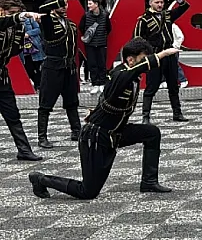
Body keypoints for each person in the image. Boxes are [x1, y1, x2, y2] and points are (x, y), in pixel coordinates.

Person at [28, 38, 180, 199]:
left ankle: (149, 182)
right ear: (130, 60)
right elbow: (122, 80)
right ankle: (41, 179)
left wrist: (94, 113)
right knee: (88, 191)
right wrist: (162, 54)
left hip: (115, 132)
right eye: (143, 59)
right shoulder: (120, 74)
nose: (146, 65)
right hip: (96, 136)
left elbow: (106, 98)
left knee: (152, 132)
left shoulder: (131, 77)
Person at [134, 0, 190, 124]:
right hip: (155, 56)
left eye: (161, 2)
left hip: (170, 55)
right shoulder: (143, 20)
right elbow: (137, 40)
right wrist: (143, 58)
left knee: (173, 86)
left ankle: (177, 113)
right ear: (150, 3)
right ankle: (145, 117)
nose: (160, 5)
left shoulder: (167, 15)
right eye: (157, 2)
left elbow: (184, 7)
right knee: (151, 88)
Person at [37, 0, 82, 148]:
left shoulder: (71, 24)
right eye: (60, 4)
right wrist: (56, 2)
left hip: (68, 67)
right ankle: (42, 137)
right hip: (53, 67)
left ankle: (76, 131)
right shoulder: (47, 21)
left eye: (65, 4)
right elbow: (42, 9)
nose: (64, 7)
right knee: (46, 103)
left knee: (72, 101)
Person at [0, 0, 42, 161]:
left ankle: (24, 150)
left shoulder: (17, 28)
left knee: (12, 114)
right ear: (2, 10)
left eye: (17, 14)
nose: (14, 17)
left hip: (2, 76)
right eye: (11, 13)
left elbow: (16, 49)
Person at [79, 0, 112, 95]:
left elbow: (109, 28)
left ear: (96, 4)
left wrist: (102, 35)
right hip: (90, 44)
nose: (89, 6)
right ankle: (95, 83)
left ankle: (102, 83)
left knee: (102, 64)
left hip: (102, 43)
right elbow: (81, 27)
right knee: (92, 64)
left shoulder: (105, 15)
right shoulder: (86, 16)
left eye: (90, 4)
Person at [21, 12, 44, 91]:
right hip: (22, 48)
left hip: (34, 46)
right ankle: (37, 83)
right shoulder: (14, 21)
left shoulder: (30, 19)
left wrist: (28, 33)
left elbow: (38, 29)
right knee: (28, 69)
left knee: (38, 67)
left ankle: (39, 85)